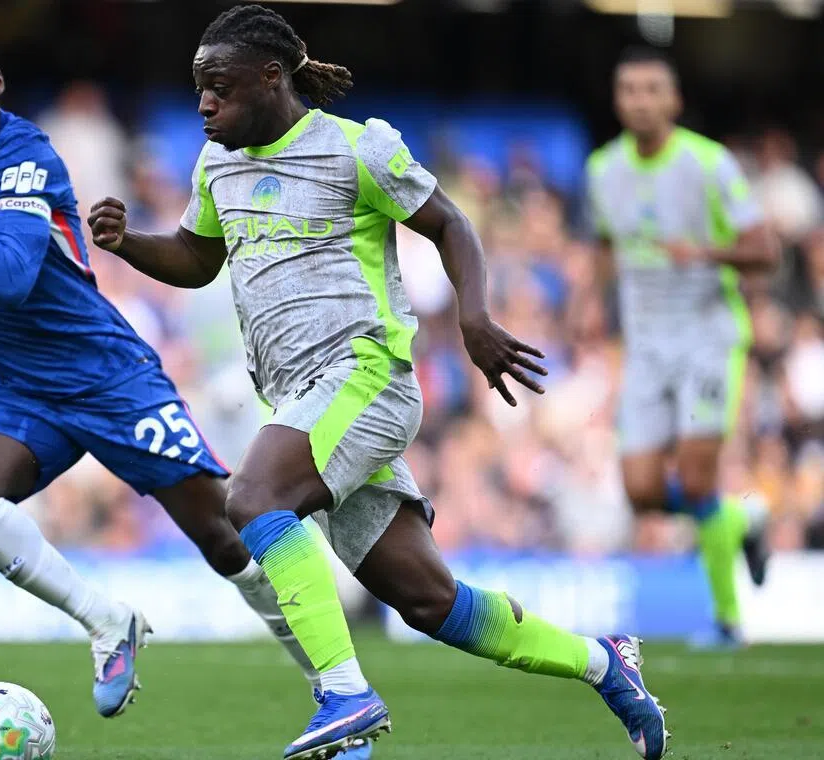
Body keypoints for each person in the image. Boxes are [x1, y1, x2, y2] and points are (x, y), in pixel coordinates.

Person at [87, 5, 668, 760]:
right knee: (431, 602)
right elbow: (199, 261)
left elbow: (451, 224)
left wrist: (474, 318)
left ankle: (344, 695)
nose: (203, 104)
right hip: (304, 403)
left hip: (366, 376)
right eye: (198, 88)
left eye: (218, 87)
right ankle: (605, 663)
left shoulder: (355, 149)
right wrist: (127, 241)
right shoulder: (217, 165)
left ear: (272, 78)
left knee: (254, 498)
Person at [0, 21, 319, 722]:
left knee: (224, 536)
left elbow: (10, 277)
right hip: (24, 390)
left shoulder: (26, 157)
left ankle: (332, 682)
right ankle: (106, 620)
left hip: (109, 378)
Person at [586, 46, 777, 649]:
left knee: (696, 482)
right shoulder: (601, 169)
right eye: (628, 90)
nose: (639, 101)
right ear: (617, 101)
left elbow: (765, 249)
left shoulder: (708, 163)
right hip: (646, 344)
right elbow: (605, 242)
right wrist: (592, 298)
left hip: (707, 338)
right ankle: (744, 517)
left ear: (674, 101)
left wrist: (707, 254)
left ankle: (726, 621)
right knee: (640, 490)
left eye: (651, 90)